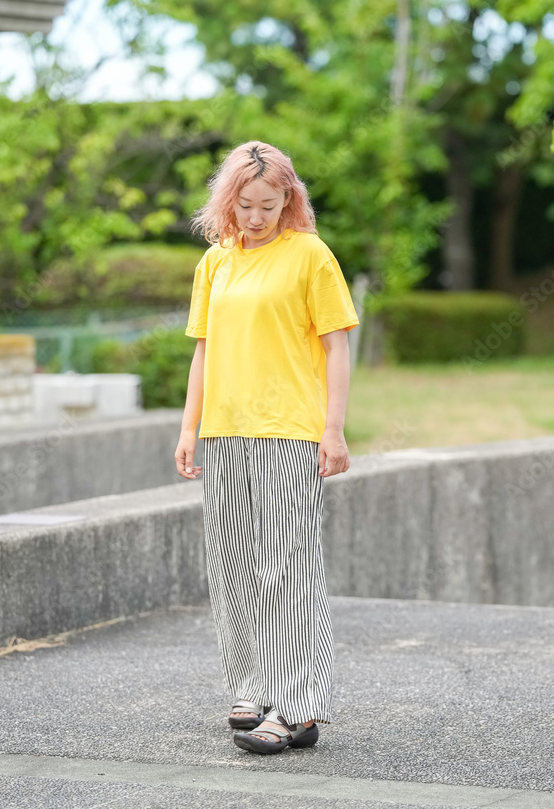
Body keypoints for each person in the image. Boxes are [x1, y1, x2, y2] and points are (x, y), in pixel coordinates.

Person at [174, 140, 359, 755]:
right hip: (224, 432)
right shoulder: (215, 262)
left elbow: (337, 346)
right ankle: (251, 687)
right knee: (230, 562)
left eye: (269, 206)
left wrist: (334, 428)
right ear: (228, 201)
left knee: (286, 566)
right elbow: (204, 352)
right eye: (245, 205)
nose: (256, 217)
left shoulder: (310, 255)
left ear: (289, 201)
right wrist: (189, 428)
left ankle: (297, 707)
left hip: (289, 430)